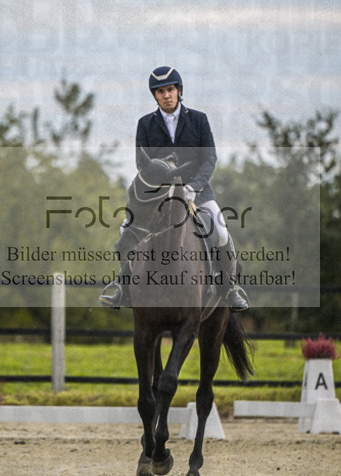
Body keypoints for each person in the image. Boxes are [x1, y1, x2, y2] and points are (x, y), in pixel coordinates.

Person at [99, 66, 249, 310]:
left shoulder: (198, 119)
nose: (166, 95)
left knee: (220, 231)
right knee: (127, 228)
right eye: (160, 92)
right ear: (155, 96)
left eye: (170, 89)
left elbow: (209, 158)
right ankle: (121, 286)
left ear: (178, 91)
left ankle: (229, 288)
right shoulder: (145, 124)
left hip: (196, 191)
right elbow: (141, 162)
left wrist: (193, 186)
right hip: (157, 195)